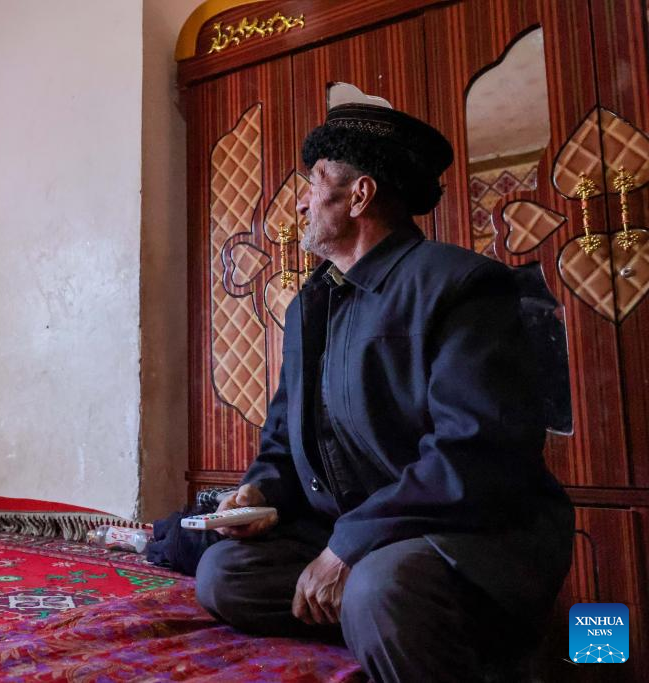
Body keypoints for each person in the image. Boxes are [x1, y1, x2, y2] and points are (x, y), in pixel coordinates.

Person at [194, 103, 574, 682]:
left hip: (461, 533)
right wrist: (260, 491)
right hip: (354, 532)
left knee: (379, 588)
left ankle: (401, 621)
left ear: (360, 195)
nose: (299, 204)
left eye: (314, 183)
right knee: (225, 574)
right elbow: (284, 437)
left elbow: (474, 453)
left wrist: (351, 546)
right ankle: (382, 624)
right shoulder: (309, 305)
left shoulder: (462, 285)